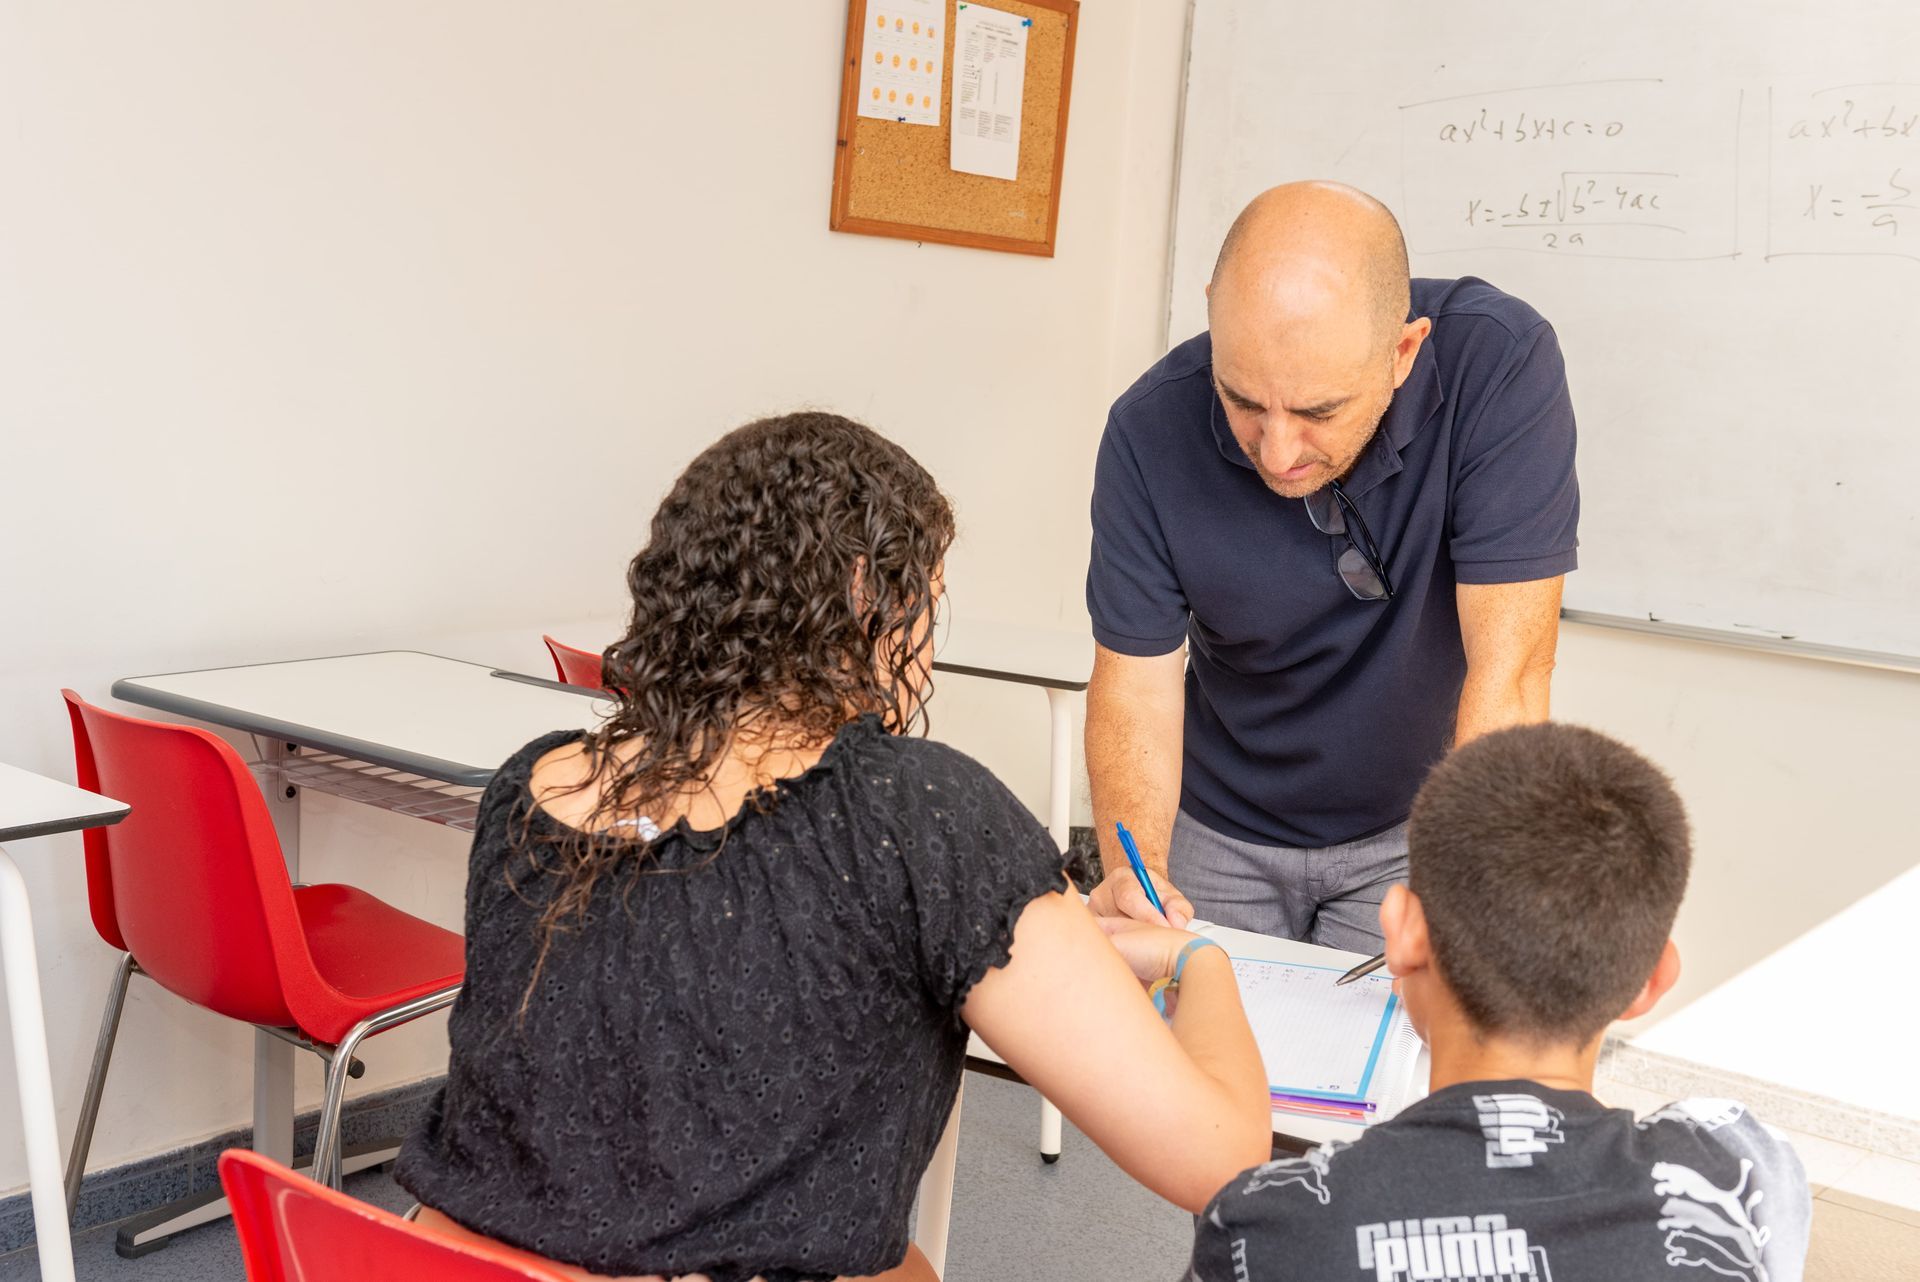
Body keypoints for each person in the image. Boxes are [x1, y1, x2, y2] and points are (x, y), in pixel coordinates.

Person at [393, 412, 1272, 1282]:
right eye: (926, 603)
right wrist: (1200, 963)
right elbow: (1221, 1160)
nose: (927, 658)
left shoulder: (533, 786)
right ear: (865, 596)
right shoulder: (917, 815)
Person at [1086, 181, 1579, 950]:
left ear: (1403, 352)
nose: (1276, 453)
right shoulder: (1147, 431)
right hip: (1216, 828)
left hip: (1413, 828)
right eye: (1243, 400)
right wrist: (1133, 874)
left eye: (1318, 413)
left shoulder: (1499, 366)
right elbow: (1135, 691)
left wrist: (1469, 879)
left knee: (1377, 1061)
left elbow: (1510, 671)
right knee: (1184, 1051)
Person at [1187, 722, 1812, 1281]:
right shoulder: (1744, 1178)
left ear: (1403, 935)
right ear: (1651, 980)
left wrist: (1193, 963)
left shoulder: (1267, 1230)